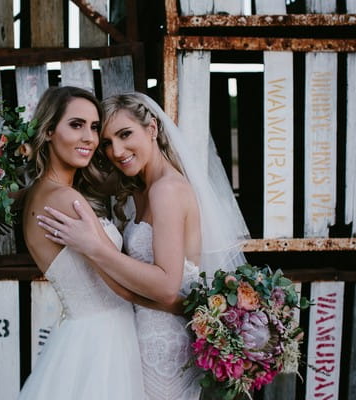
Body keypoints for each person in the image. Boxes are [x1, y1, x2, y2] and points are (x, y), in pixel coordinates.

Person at [37, 92, 250, 400]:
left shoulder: (167, 191)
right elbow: (66, 175)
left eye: (125, 135)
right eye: (107, 142)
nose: (117, 151)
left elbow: (166, 287)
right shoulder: (139, 185)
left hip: (164, 343)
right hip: (144, 334)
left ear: (152, 128)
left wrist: (93, 246)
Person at [16, 86, 147, 399]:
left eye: (94, 127)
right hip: (104, 342)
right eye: (76, 125)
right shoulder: (65, 199)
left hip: (85, 334)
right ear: (48, 131)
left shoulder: (39, 192)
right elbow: (124, 282)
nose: (89, 137)